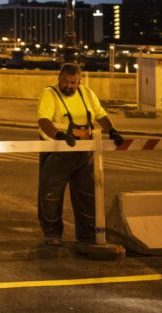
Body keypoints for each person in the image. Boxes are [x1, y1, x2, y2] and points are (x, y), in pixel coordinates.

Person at [37, 62, 124, 247]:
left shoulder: (87, 93)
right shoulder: (49, 94)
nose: (69, 86)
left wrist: (112, 130)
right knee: (51, 195)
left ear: (79, 81)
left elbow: (100, 115)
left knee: (87, 195)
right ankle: (52, 235)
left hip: (84, 152)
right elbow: (43, 120)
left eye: (73, 83)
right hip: (57, 152)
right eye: (65, 82)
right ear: (59, 78)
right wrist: (59, 135)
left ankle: (86, 236)